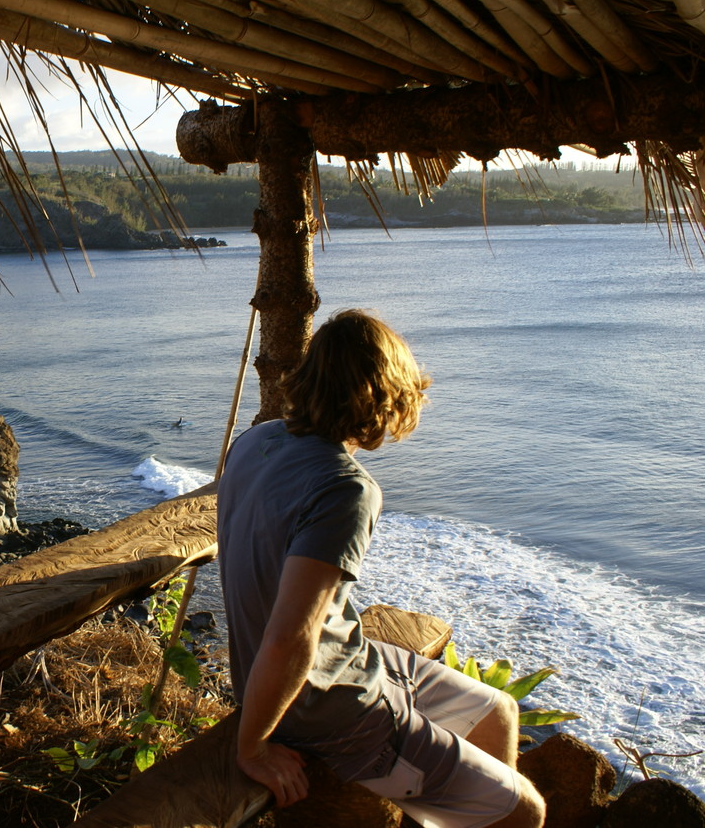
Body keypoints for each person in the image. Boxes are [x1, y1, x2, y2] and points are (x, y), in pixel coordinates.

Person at [216, 309, 545, 828]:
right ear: (380, 397)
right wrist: (252, 747)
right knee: (526, 811)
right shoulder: (346, 489)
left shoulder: (257, 441)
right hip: (321, 708)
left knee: (498, 711)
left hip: (338, 662)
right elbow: (289, 639)